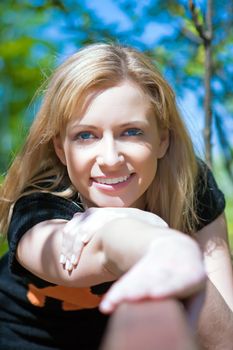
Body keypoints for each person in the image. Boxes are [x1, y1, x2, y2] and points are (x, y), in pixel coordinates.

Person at [0, 43, 232, 350]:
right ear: (60, 148)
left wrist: (189, 271)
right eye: (86, 135)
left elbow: (225, 337)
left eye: (131, 132)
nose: (110, 158)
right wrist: (160, 238)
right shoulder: (39, 205)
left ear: (162, 139)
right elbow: (106, 247)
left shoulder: (188, 185)